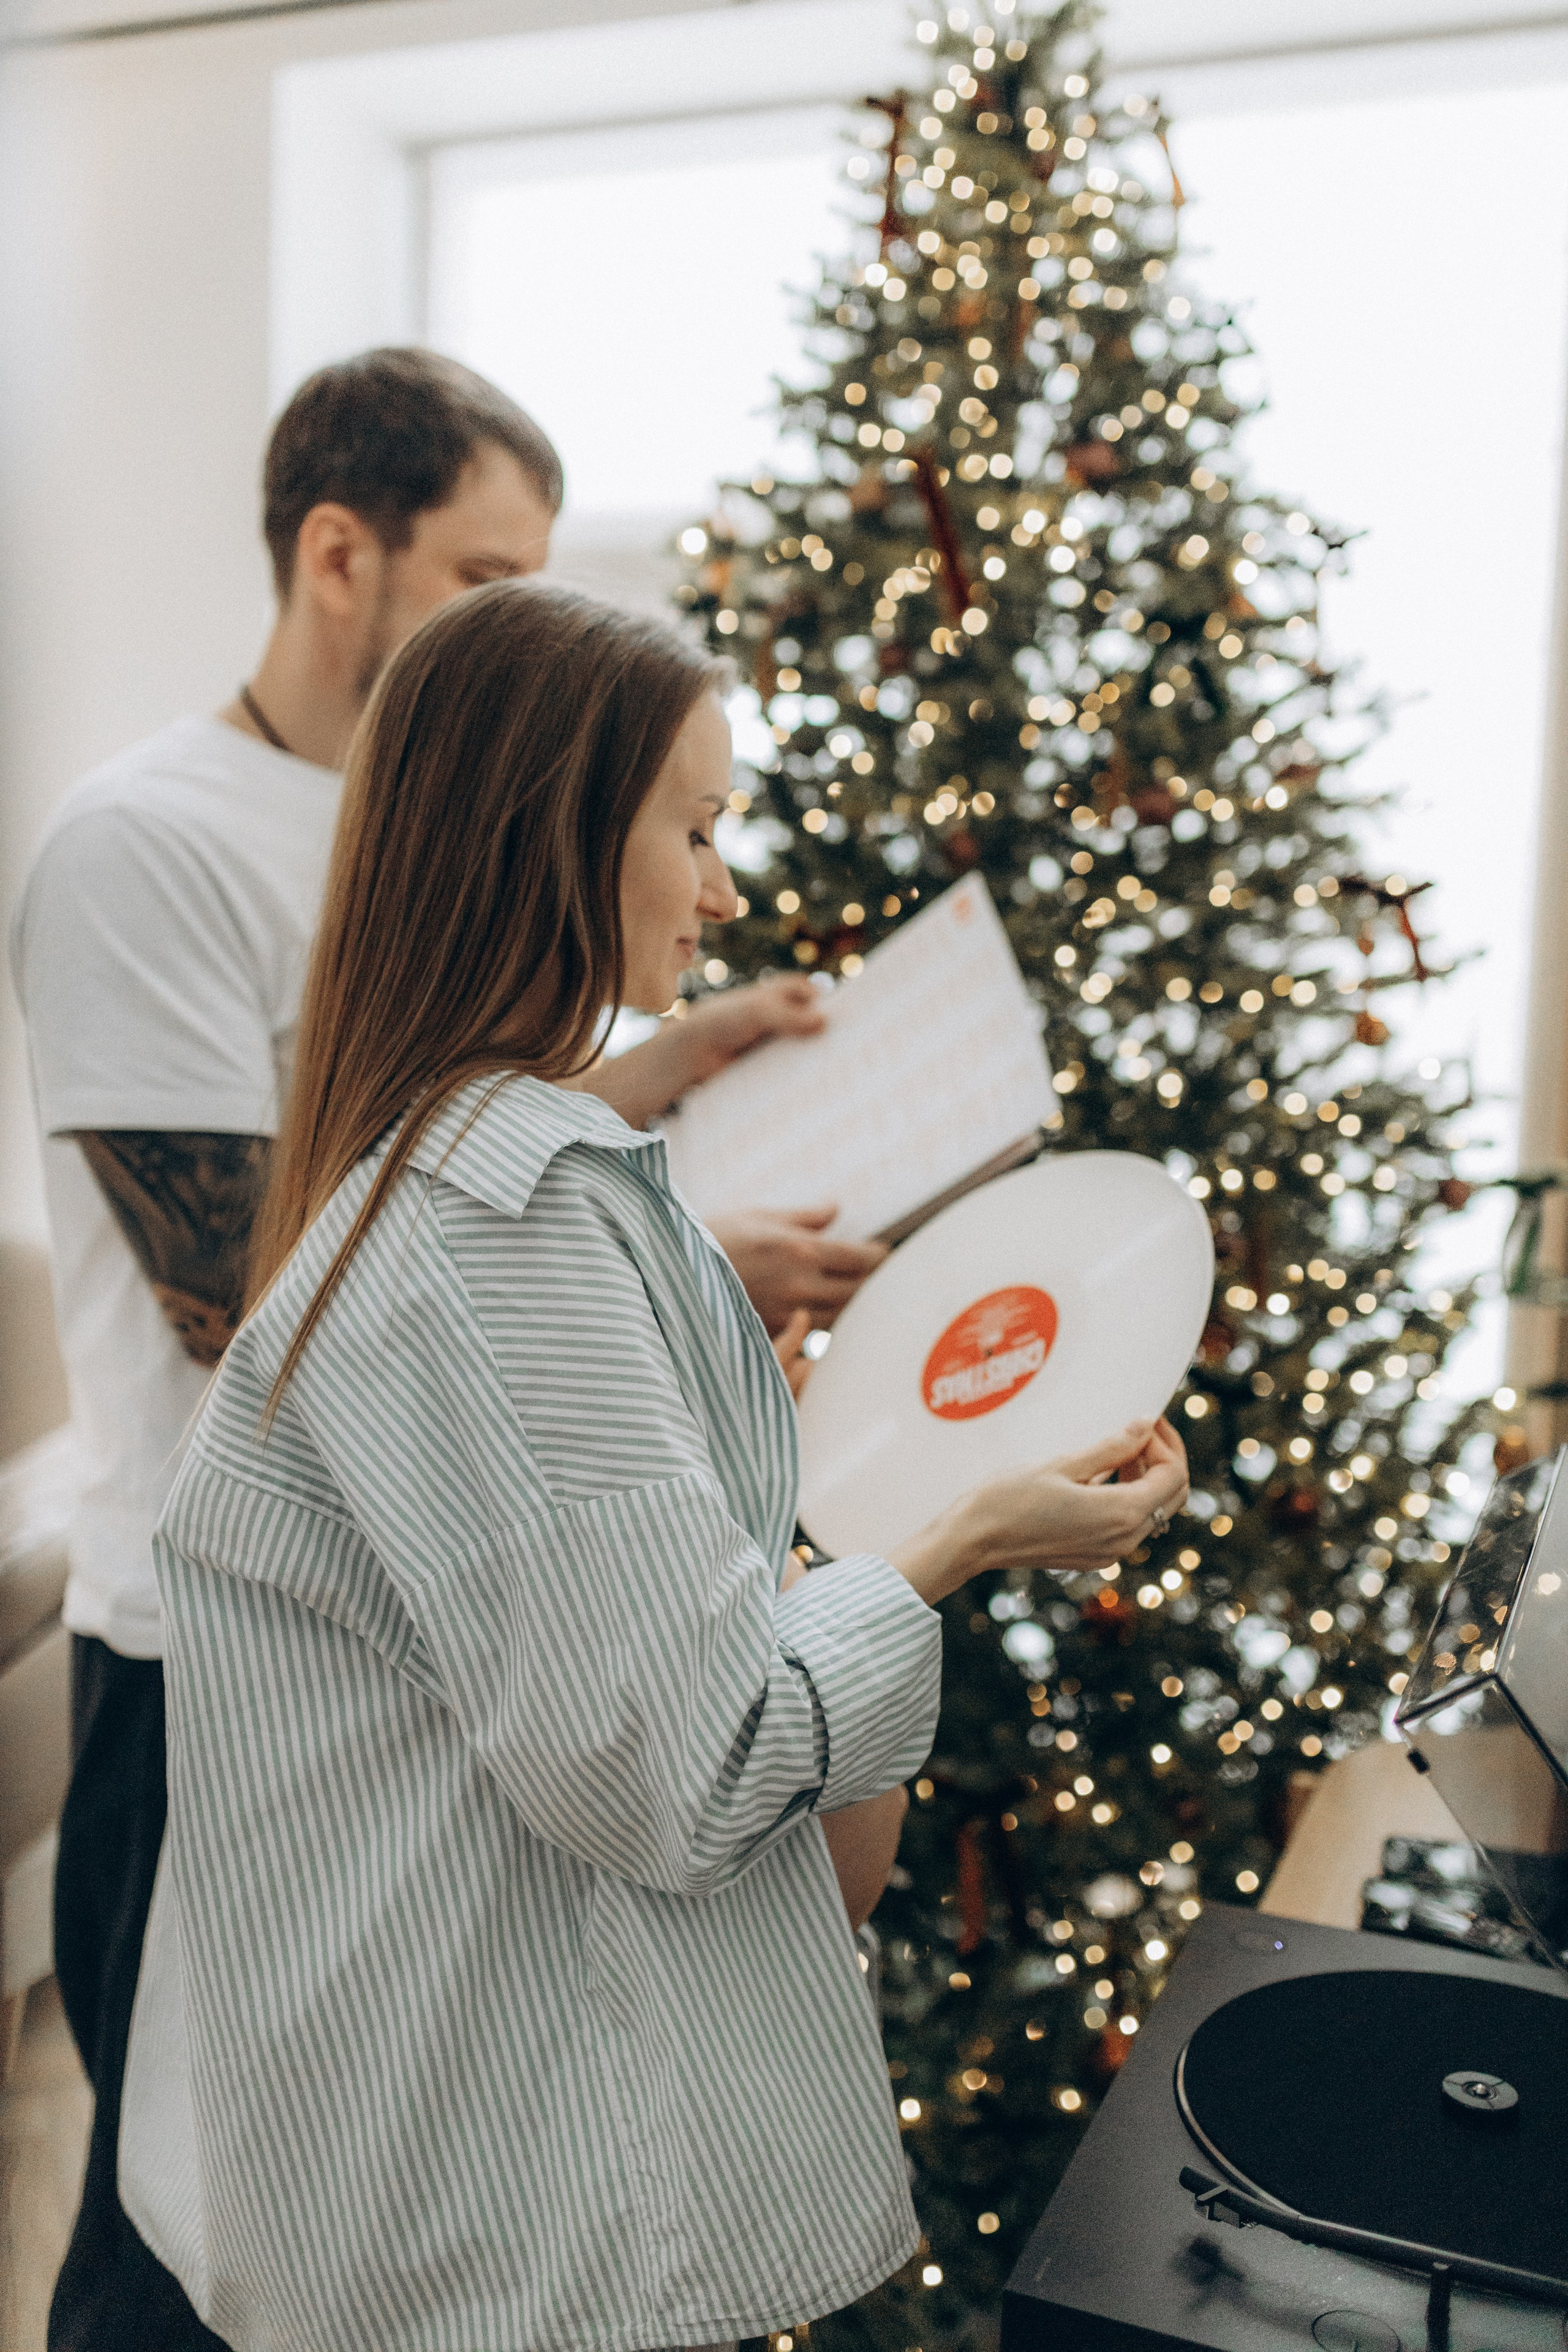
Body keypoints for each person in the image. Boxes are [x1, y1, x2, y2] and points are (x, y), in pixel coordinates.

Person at [119, 577, 1190, 2352]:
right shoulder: (508, 1229)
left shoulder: (440, 1179)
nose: (722, 884)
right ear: (555, 833)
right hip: (498, 2226)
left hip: (438, 2180)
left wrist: (734, 1479)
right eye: (693, 823)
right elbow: (684, 1770)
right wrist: (951, 1535)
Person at [9, 348, 881, 2352]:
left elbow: (423, 1138)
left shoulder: (412, 809)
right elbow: (260, 1283)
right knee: (180, 2232)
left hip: (428, 1617)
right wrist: (666, 1269)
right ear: (341, 553)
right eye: (485, 573)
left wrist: (655, 1082)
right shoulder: (149, 846)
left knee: (362, 2199)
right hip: (206, 1638)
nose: (519, 615)